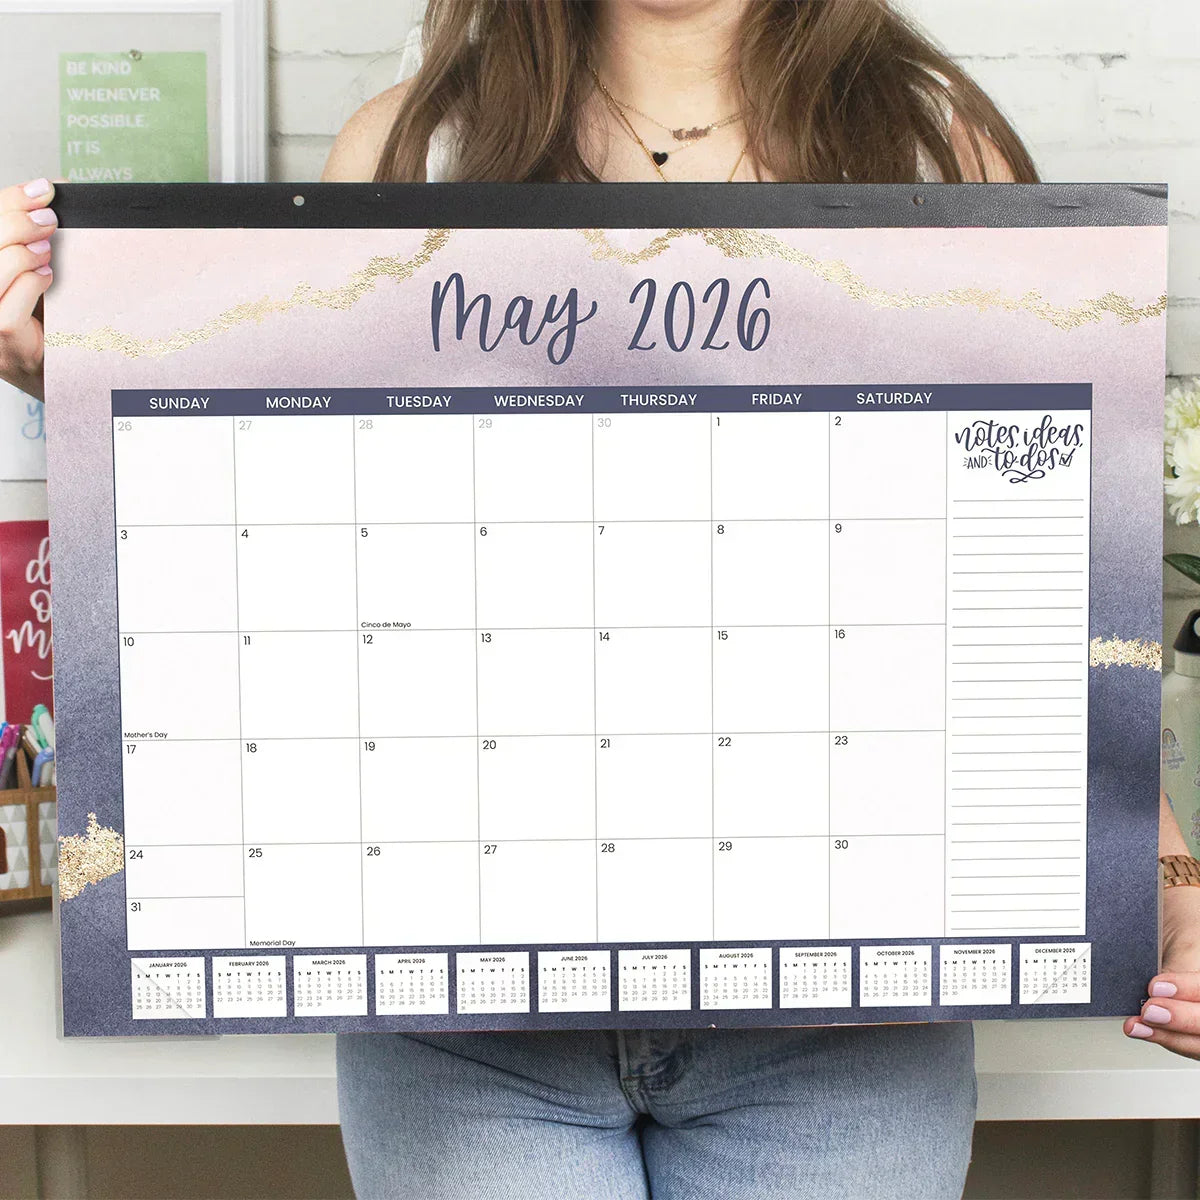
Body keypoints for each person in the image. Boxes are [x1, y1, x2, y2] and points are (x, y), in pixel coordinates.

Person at [2, 1, 1198, 1195]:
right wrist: (94, 384)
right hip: (464, 1017)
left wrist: (1175, 893)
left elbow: (1032, 594)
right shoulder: (412, 149)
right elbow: (301, 566)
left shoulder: (932, 149)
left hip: (847, 1023)